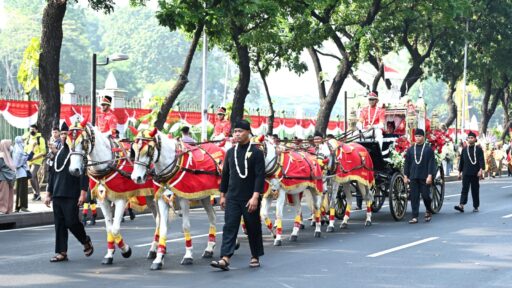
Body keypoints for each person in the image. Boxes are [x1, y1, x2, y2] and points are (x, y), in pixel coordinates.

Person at [211, 119, 265, 271]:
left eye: (240, 131)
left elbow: (260, 176)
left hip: (250, 198)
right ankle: (225, 258)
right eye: (235, 131)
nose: (237, 134)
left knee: (253, 227)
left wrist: (255, 197)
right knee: (229, 226)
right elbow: (225, 176)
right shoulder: (230, 153)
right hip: (232, 197)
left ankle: (255, 256)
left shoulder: (256, 153)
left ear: (248, 132)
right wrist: (222, 195)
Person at [44, 126, 94, 262]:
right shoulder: (59, 152)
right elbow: (53, 173)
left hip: (72, 193)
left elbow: (84, 173)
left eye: (67, 134)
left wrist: (83, 193)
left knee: (71, 222)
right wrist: (48, 193)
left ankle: (85, 241)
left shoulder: (77, 152)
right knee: (59, 224)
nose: (64, 136)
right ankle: (62, 252)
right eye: (62, 134)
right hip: (57, 193)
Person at [403, 128, 436, 224]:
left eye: (419, 136)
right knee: (414, 197)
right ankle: (414, 216)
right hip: (413, 176)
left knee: (426, 196)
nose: (417, 138)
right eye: (416, 136)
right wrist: (405, 175)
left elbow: (431, 163)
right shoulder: (410, 149)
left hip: (424, 177)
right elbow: (407, 163)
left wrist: (430, 176)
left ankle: (428, 210)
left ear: (423, 137)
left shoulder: (428, 149)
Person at [455, 131, 485, 213]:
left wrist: (481, 170)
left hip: (475, 173)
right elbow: (461, 162)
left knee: (475, 190)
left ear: (475, 139)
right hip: (466, 173)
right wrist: (459, 172)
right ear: (467, 139)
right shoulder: (464, 150)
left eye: (472, 138)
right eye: (469, 138)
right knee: (464, 189)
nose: (470, 139)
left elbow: (481, 161)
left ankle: (476, 206)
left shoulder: (479, 149)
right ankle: (461, 205)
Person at [25, 124, 46, 201]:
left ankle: (37, 193)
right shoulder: (28, 139)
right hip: (29, 161)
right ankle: (37, 194)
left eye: (33, 129)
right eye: (30, 129)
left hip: (37, 160)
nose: (32, 130)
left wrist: (34, 157)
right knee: (34, 178)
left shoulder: (40, 139)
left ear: (37, 130)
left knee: (31, 176)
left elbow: (44, 152)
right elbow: (25, 150)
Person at [13, 136, 30, 212]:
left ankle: (18, 207)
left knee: (19, 190)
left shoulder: (16, 149)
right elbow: (20, 162)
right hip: (22, 172)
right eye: (22, 141)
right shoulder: (19, 151)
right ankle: (23, 206)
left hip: (19, 173)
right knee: (23, 190)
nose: (23, 142)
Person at [0, 140, 16, 214]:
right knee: (9, 194)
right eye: (9, 145)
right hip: (10, 178)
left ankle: (3, 209)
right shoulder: (7, 156)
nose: (10, 146)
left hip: (3, 178)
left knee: (4, 195)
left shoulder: (2, 156)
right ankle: (9, 209)